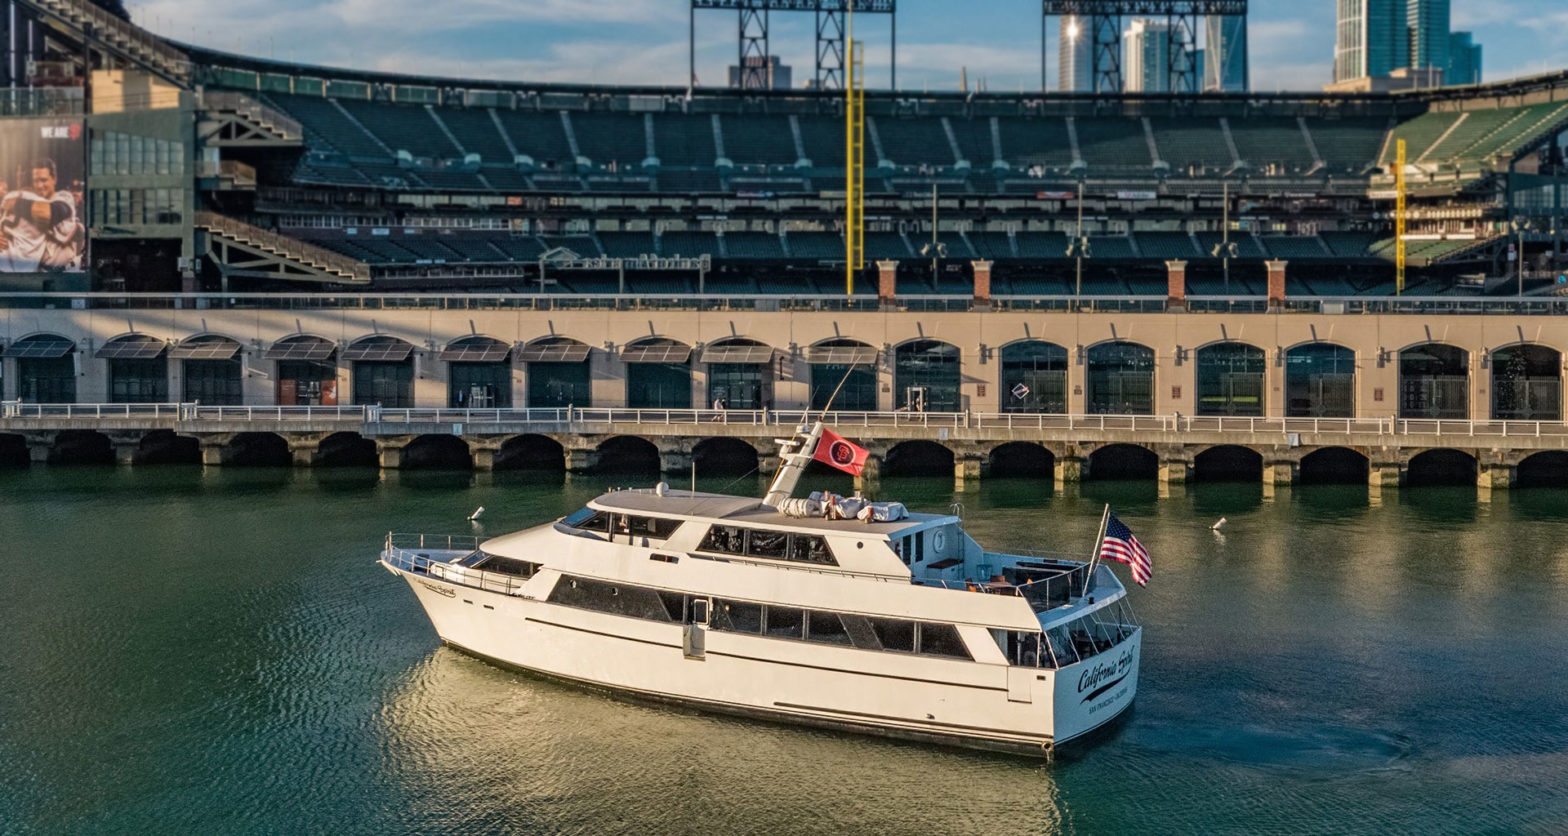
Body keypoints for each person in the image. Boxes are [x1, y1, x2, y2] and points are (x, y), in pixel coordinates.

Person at [0, 159, 82, 273]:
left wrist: (16, 204)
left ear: (54, 179)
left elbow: (49, 213)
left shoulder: (63, 197)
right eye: (35, 181)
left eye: (43, 180)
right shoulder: (32, 199)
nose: (39, 185)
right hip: (35, 271)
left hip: (62, 272)